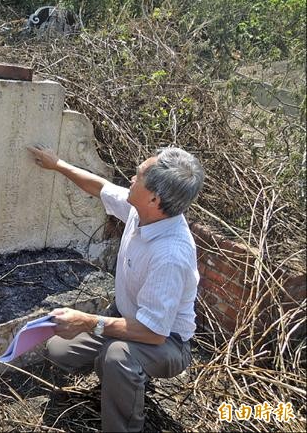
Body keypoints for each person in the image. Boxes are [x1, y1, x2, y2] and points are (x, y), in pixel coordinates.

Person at [27, 144, 205, 432]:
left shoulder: (170, 254)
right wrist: (56, 163)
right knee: (60, 349)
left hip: (166, 341)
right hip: (127, 317)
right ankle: (119, 379)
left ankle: (123, 423)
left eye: (138, 176)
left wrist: (87, 321)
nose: (131, 180)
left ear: (154, 199)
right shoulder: (144, 211)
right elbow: (99, 187)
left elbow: (153, 332)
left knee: (118, 356)